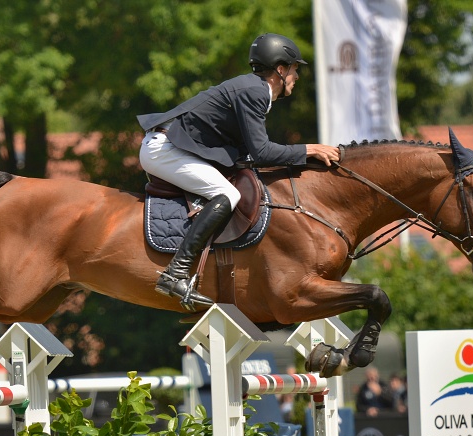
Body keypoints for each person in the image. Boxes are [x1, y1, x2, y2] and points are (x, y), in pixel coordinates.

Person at [138, 33, 341, 309]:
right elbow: (262, 153)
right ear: (280, 70)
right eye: (295, 69)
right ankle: (175, 273)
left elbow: (248, 154)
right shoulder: (255, 92)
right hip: (165, 149)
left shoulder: (254, 89)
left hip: (175, 146)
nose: (296, 76)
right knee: (227, 194)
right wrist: (309, 149)